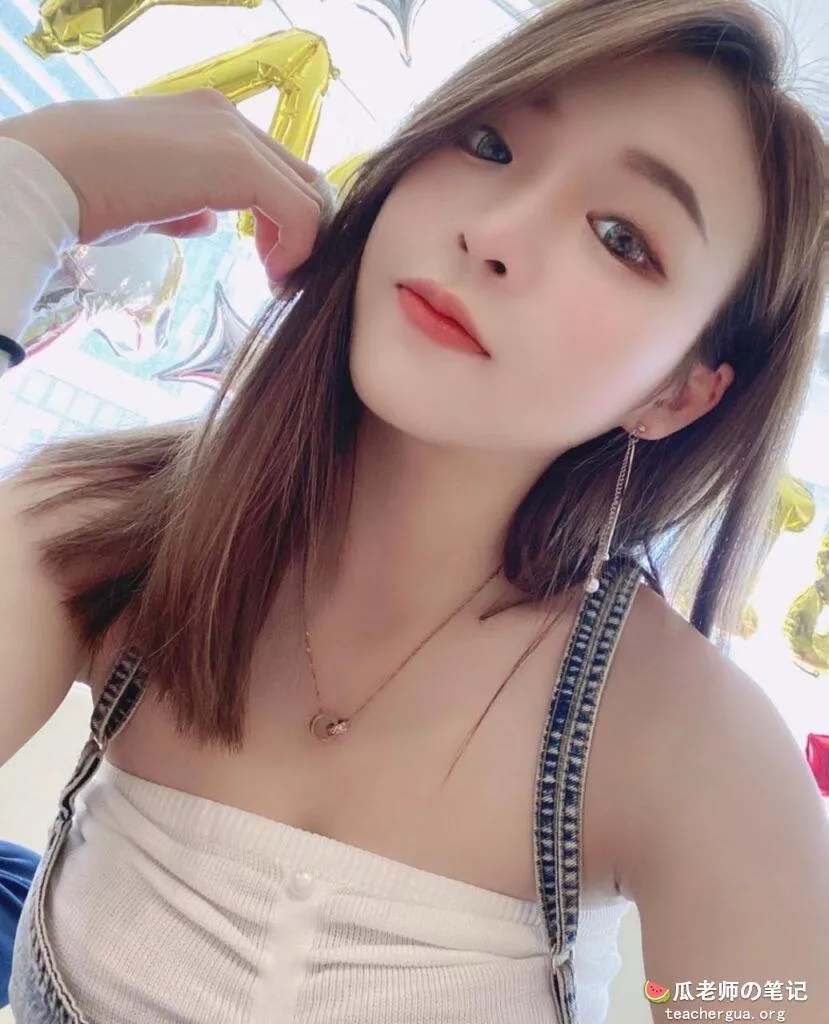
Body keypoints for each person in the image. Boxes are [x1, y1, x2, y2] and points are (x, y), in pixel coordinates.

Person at [0, 0, 827, 1020]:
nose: (495, 232)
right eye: (489, 145)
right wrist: (29, 185)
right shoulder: (107, 529)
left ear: (679, 394)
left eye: (622, 238)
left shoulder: (695, 745)